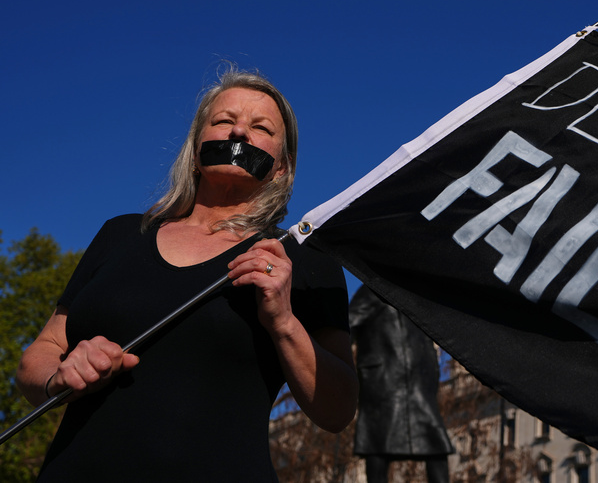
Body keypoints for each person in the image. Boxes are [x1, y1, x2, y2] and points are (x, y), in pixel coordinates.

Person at [16, 69, 358, 482]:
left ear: (282, 167)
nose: (239, 132)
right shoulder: (121, 234)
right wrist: (60, 374)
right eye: (223, 120)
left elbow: (338, 410)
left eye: (261, 128)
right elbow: (40, 354)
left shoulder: (302, 259)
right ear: (197, 148)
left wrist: (283, 323)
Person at [349, 284, 453, 483]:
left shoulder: (416, 294)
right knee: (377, 445)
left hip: (418, 382)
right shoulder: (372, 290)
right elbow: (347, 326)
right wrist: (343, 368)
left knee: (436, 443)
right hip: (383, 382)